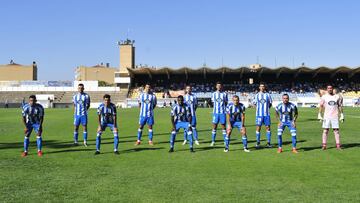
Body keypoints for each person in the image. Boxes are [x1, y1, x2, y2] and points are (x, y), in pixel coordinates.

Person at [318, 85, 344, 150]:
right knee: (325, 131)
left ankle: (338, 145)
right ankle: (324, 145)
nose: (330, 89)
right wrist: (319, 114)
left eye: (331, 88)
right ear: (327, 89)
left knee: (336, 131)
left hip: (335, 116)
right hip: (326, 116)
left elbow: (340, 106)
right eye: (328, 88)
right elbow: (321, 106)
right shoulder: (324, 97)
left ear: (332, 89)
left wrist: (342, 115)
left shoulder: (337, 97)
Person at [253, 83, 273, 148]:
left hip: (266, 115)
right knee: (258, 128)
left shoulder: (268, 95)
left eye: (263, 86)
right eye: (261, 86)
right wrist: (258, 109)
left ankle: (268, 143)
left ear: (264, 87)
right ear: (259, 87)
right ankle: (258, 143)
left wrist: (266, 109)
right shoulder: (257, 95)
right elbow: (254, 104)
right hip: (259, 115)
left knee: (268, 128)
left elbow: (270, 104)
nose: (262, 87)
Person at [210, 81, 228, 146]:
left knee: (223, 127)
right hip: (215, 113)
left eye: (220, 86)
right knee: (214, 127)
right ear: (216, 86)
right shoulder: (213, 94)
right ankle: (213, 141)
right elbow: (212, 102)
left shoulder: (224, 94)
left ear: (221, 86)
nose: (219, 87)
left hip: (222, 113)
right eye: (218, 86)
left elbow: (226, 103)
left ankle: (225, 141)